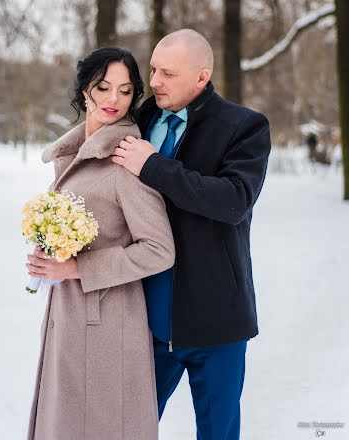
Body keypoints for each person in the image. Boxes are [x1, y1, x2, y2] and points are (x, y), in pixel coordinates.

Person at [112, 29, 271, 440]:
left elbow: (233, 201)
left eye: (168, 73)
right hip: (149, 319)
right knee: (129, 429)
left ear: (201, 78)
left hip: (217, 322)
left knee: (217, 433)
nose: (155, 82)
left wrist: (154, 166)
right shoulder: (141, 118)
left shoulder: (244, 126)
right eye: (152, 70)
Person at [26, 47, 175, 440]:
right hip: (70, 313)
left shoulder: (125, 158)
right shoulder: (75, 152)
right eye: (103, 87)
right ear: (84, 90)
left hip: (107, 322)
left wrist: (75, 268)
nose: (113, 99)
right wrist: (50, 246)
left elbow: (159, 249)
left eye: (125, 91)